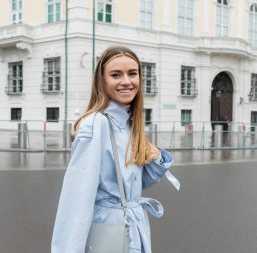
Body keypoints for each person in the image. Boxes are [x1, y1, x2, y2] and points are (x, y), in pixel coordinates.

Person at [51, 46, 180, 253]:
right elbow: (76, 201)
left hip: (133, 226)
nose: (127, 81)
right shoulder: (96, 125)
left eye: (132, 73)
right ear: (101, 81)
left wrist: (157, 159)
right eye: (115, 75)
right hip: (113, 229)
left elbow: (127, 186)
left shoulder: (129, 122)